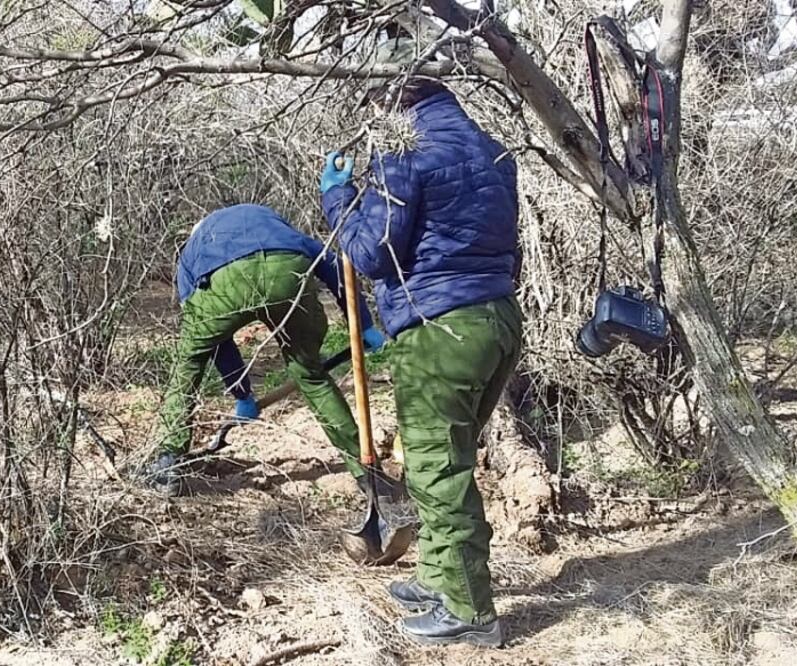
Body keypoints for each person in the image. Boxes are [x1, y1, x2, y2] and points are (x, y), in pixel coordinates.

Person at [318, 50, 523, 647]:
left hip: (440, 332)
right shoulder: (492, 147)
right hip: (497, 319)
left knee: (438, 471)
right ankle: (439, 577)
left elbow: (372, 254)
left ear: (393, 100)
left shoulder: (403, 150)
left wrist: (338, 197)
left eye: (374, 105)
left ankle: (468, 611)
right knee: (446, 459)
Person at [145, 204, 385, 497]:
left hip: (221, 288)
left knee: (189, 363)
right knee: (311, 376)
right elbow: (333, 265)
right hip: (286, 271)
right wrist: (362, 323)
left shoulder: (191, 257)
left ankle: (168, 463)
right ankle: (369, 475)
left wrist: (241, 393)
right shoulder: (274, 226)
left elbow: (215, 343)